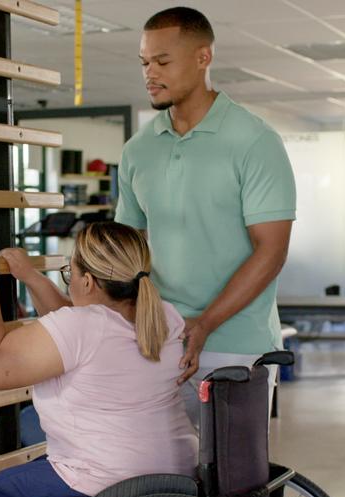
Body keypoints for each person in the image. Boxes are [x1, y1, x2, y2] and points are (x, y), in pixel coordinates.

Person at [0, 222, 197, 497]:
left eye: (67, 272)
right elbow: (70, 325)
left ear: (87, 281)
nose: (67, 279)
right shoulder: (163, 315)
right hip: (173, 470)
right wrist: (31, 277)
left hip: (110, 477)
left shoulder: (84, 326)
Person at [117, 7, 297, 419]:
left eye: (163, 61)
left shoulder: (255, 141)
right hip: (158, 342)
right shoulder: (137, 150)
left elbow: (270, 251)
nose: (150, 72)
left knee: (229, 479)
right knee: (159, 478)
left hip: (237, 344)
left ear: (203, 57)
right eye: (145, 62)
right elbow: (126, 249)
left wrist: (205, 323)